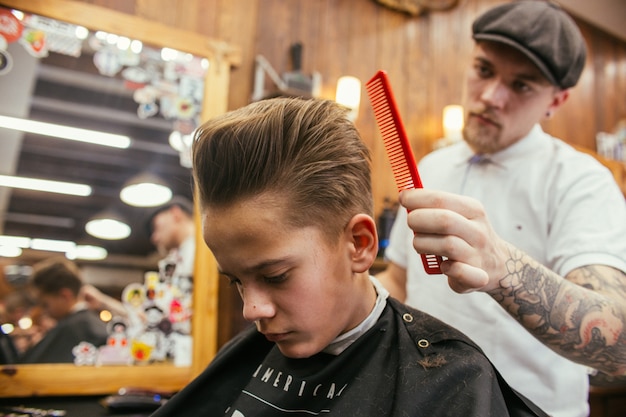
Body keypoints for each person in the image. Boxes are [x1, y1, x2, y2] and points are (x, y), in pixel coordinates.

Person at [151, 97, 548, 416]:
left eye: (275, 276)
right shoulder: (245, 356)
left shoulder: (452, 380)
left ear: (359, 244)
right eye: (236, 281)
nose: (252, 310)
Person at [376, 2, 626, 417]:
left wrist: (502, 268)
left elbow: (618, 342)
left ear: (556, 100)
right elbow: (402, 281)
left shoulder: (580, 181)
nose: (490, 97)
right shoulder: (434, 165)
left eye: (522, 85)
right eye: (484, 70)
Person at [19, 257, 108, 363]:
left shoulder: (77, 329)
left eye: (45, 304)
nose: (44, 311)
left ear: (65, 295)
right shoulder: (89, 325)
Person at [147, 195, 196, 283]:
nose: (154, 238)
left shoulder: (206, 251)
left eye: (156, 227)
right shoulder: (176, 259)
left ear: (175, 214)